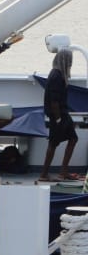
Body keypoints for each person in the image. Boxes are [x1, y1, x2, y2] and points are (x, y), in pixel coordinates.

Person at [42, 49, 79, 182]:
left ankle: (63, 170)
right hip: (58, 115)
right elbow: (54, 101)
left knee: (73, 139)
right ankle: (44, 174)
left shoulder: (57, 74)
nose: (71, 62)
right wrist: (58, 119)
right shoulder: (57, 75)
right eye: (69, 60)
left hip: (63, 113)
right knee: (53, 143)